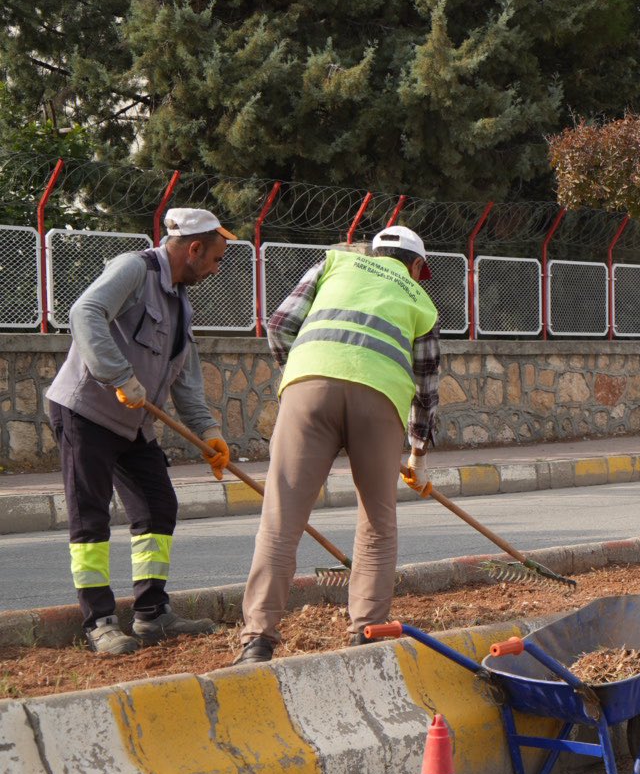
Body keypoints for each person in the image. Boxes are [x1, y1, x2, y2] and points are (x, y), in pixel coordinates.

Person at [234, 226, 441, 664]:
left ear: (373, 250)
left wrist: (303, 373)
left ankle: (258, 640)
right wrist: (417, 453)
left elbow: (279, 323)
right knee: (378, 523)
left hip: (309, 390)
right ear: (418, 267)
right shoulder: (421, 301)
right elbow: (426, 386)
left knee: (281, 518)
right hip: (380, 399)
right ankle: (366, 631)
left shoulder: (334, 261)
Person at [45, 208, 232, 655]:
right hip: (86, 410)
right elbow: (85, 311)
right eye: (216, 259)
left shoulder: (181, 303)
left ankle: (151, 614)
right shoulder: (133, 269)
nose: (217, 268)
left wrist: (208, 431)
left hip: (134, 422)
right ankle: (100, 622)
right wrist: (117, 374)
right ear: (194, 249)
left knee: (157, 505)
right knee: (90, 514)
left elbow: (184, 377)